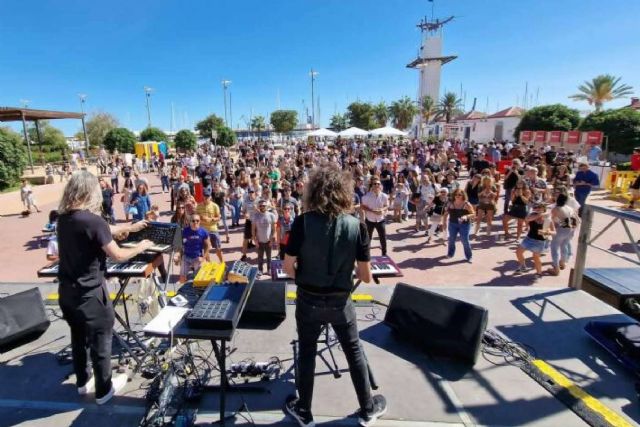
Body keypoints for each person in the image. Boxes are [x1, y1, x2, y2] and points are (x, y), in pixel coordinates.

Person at [283, 164, 386, 427]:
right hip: (341, 302)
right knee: (353, 350)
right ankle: (367, 408)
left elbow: (287, 268)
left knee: (306, 351)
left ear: (314, 193)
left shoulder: (302, 222)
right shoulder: (357, 226)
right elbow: (364, 276)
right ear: (344, 192)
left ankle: (304, 411)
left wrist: (307, 274)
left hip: (308, 299)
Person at [56, 171, 154, 405]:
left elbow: (100, 231)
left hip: (67, 293)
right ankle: (103, 391)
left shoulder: (63, 219)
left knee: (78, 338)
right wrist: (141, 245)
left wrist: (130, 226)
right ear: (91, 191)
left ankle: (82, 382)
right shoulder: (93, 220)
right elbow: (118, 255)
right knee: (101, 341)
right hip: (90, 295)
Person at [515, 203, 555, 276]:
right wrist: (541, 214)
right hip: (529, 238)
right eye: (536, 207)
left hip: (539, 241)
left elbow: (554, 232)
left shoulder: (548, 219)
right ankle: (523, 266)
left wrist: (547, 232)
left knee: (536, 257)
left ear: (544, 208)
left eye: (540, 207)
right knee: (518, 252)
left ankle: (539, 273)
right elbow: (527, 219)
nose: (538, 209)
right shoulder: (532, 215)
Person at [547, 193, 579, 276]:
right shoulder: (569, 208)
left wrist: (549, 230)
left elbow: (552, 221)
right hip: (571, 228)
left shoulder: (556, 209)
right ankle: (563, 262)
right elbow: (575, 219)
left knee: (554, 248)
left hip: (562, 229)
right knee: (564, 245)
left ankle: (556, 269)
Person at [175, 213, 211, 283]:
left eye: (197, 221)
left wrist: (203, 258)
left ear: (200, 221)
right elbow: (179, 244)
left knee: (198, 279)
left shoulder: (203, 232)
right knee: (182, 278)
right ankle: (182, 292)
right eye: (193, 221)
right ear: (189, 222)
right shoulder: (184, 231)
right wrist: (178, 256)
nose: (195, 222)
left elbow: (208, 246)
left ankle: (197, 292)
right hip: (186, 257)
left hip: (197, 258)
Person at [444, 188, 475, 262]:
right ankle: (450, 254)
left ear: (463, 195)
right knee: (451, 239)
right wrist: (444, 222)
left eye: (459, 195)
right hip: (452, 224)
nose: (457, 196)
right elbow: (445, 214)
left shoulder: (466, 204)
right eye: (456, 194)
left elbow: (473, 214)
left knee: (465, 240)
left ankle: (469, 256)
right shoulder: (450, 203)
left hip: (464, 225)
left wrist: (466, 216)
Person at [361, 178, 389, 256]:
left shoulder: (384, 196)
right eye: (375, 184)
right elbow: (362, 206)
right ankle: (366, 255)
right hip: (370, 220)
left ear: (381, 186)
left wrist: (382, 209)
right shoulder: (367, 196)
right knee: (368, 238)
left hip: (381, 220)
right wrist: (372, 210)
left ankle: (384, 254)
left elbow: (387, 205)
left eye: (378, 184)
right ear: (372, 186)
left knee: (383, 238)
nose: (376, 185)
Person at [196, 188, 224, 263]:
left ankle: (222, 262)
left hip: (213, 229)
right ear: (203, 196)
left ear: (210, 197)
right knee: (206, 248)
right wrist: (201, 218)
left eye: (207, 196)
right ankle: (209, 263)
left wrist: (211, 219)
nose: (206, 198)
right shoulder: (198, 206)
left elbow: (218, 217)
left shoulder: (215, 206)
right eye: (205, 196)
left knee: (218, 248)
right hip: (203, 231)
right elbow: (196, 218)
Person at [252, 198, 277, 275]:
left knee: (269, 257)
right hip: (259, 241)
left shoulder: (271, 215)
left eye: (264, 205)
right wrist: (255, 240)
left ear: (266, 206)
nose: (262, 207)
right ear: (259, 206)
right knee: (260, 257)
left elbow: (274, 229)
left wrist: (272, 239)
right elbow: (253, 229)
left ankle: (269, 269)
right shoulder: (255, 216)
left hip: (268, 241)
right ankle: (260, 269)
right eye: (261, 206)